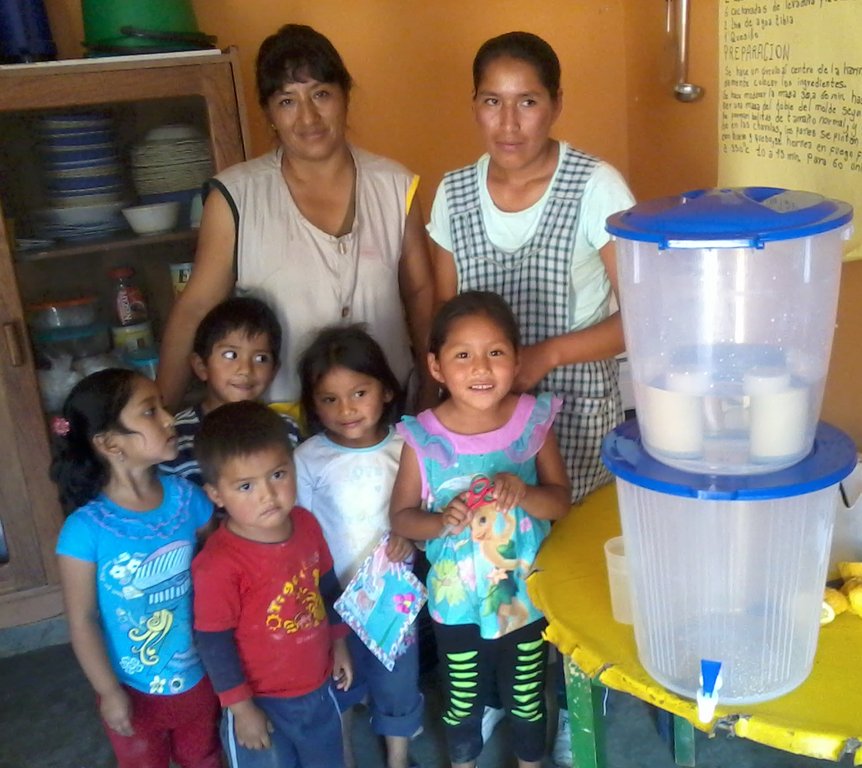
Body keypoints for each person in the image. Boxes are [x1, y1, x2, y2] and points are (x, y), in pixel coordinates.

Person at [158, 23, 434, 413]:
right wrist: (161, 414)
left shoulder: (395, 185)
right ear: (269, 113)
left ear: (345, 97)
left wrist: (430, 390)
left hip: (384, 412)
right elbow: (196, 309)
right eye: (287, 101)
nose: (308, 117)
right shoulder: (236, 196)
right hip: (279, 427)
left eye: (321, 94)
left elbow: (420, 295)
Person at [428, 30, 636, 505]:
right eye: (492, 101)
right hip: (481, 419)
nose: (508, 123)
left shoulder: (595, 187)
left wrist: (545, 355)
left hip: (575, 413)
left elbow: (645, 320)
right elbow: (442, 312)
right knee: (492, 552)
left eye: (527, 101)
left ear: (556, 104)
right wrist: (436, 405)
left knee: (565, 554)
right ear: (474, 105)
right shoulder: (454, 193)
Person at [389, 291, 571, 768]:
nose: (480, 368)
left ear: (516, 359)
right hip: (455, 603)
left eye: (495, 353)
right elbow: (402, 516)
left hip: (522, 598)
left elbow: (560, 501)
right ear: (436, 366)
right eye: (462, 355)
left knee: (528, 695)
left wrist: (523, 492)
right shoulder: (423, 436)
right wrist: (438, 520)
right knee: (461, 699)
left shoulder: (533, 420)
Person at [51, 368, 220, 768]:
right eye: (149, 411)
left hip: (199, 674)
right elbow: (83, 620)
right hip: (132, 689)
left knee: (205, 757)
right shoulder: (84, 531)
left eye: (163, 406)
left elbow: (218, 572)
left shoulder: (188, 500)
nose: (168, 419)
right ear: (110, 443)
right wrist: (108, 691)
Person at [191, 400, 354, 768]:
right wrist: (241, 707)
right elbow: (214, 642)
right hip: (259, 701)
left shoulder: (306, 525)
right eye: (246, 486)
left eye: (278, 475)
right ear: (216, 495)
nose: (267, 494)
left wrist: (339, 641)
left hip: (316, 685)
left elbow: (326, 587)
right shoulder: (218, 564)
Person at [295, 325, 423, 768]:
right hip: (328, 594)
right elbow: (301, 531)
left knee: (397, 679)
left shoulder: (408, 445)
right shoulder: (310, 457)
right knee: (337, 681)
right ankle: (343, 756)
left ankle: (398, 757)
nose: (346, 409)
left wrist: (413, 537)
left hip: (392, 594)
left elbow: (422, 508)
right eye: (329, 399)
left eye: (358, 392)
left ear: (386, 390)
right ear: (312, 403)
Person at [160, 296, 301, 486]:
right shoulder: (176, 437)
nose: (245, 369)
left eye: (261, 358)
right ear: (201, 366)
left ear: (274, 371)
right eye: (230, 355)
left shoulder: (286, 430)